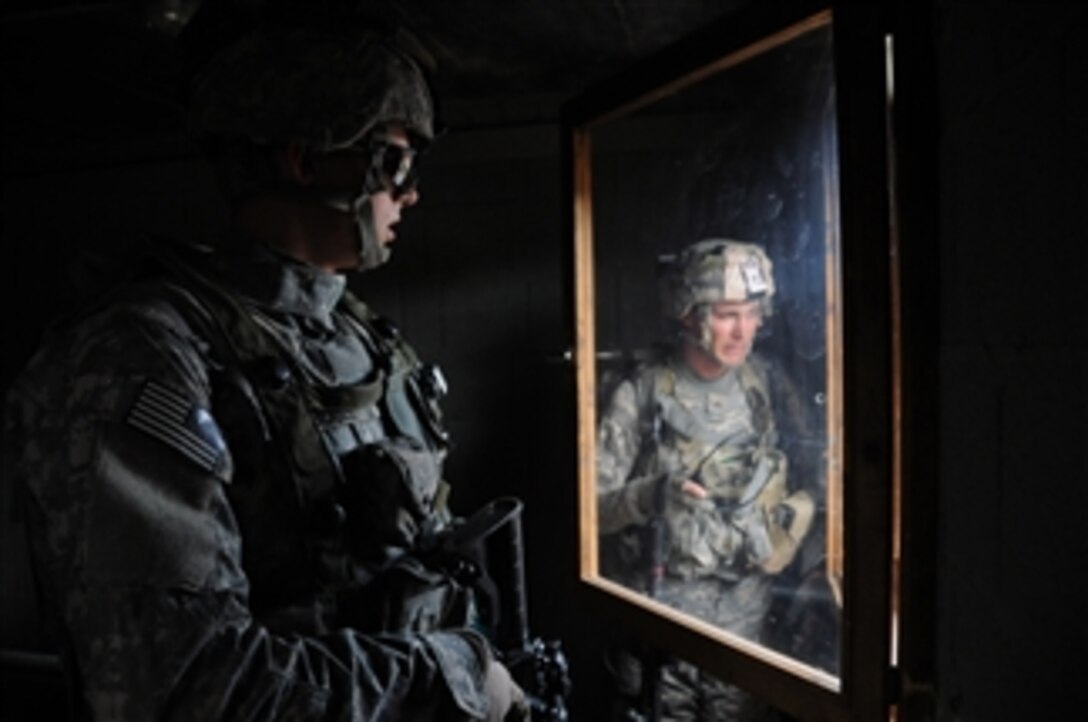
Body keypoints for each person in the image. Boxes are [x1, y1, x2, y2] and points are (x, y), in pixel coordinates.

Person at [2, 6, 530, 721]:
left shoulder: (356, 336)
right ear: (308, 160)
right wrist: (451, 676)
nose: (410, 193)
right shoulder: (142, 355)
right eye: (396, 160)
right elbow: (189, 688)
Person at [596, 239, 826, 721]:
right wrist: (651, 495)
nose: (743, 330)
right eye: (726, 314)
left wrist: (793, 531)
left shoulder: (767, 385)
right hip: (661, 623)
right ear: (688, 314)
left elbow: (825, 475)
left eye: (752, 313)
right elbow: (591, 508)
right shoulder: (642, 391)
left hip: (744, 627)